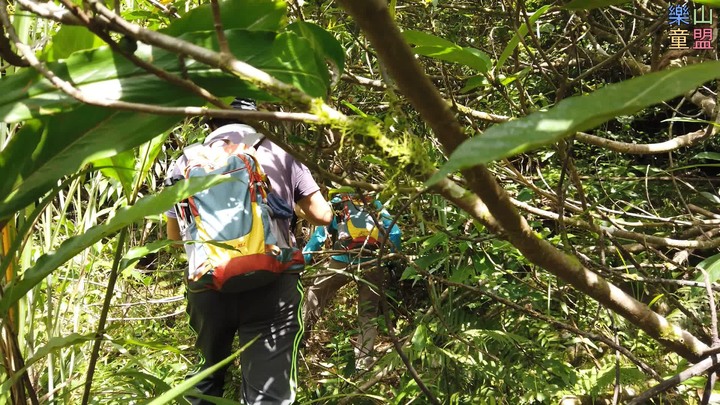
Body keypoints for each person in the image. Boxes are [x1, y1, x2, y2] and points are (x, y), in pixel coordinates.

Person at [166, 98, 332, 405]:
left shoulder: (184, 163)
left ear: (211, 125)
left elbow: (176, 240)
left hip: (208, 285)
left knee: (207, 377)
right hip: (272, 283)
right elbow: (322, 216)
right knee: (268, 395)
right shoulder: (280, 154)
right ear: (256, 122)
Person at [302, 191, 401, 369]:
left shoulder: (336, 204)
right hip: (371, 263)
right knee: (368, 314)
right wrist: (390, 258)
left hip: (342, 261)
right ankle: (363, 363)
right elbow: (395, 233)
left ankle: (298, 340)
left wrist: (304, 259)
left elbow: (319, 236)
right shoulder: (375, 204)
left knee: (314, 294)